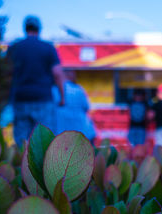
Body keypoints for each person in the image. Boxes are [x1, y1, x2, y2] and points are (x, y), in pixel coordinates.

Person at [7, 15, 65, 147]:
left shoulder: (15, 48)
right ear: (39, 29)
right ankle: (42, 167)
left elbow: (6, 74)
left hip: (20, 99)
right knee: (44, 142)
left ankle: (21, 167)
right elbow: (57, 73)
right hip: (43, 100)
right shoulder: (48, 48)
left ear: (25, 29)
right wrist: (62, 97)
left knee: (22, 141)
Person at [53, 70, 96, 143]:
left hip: (62, 136)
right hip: (84, 133)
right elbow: (86, 107)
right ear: (69, 76)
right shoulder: (78, 89)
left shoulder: (52, 91)